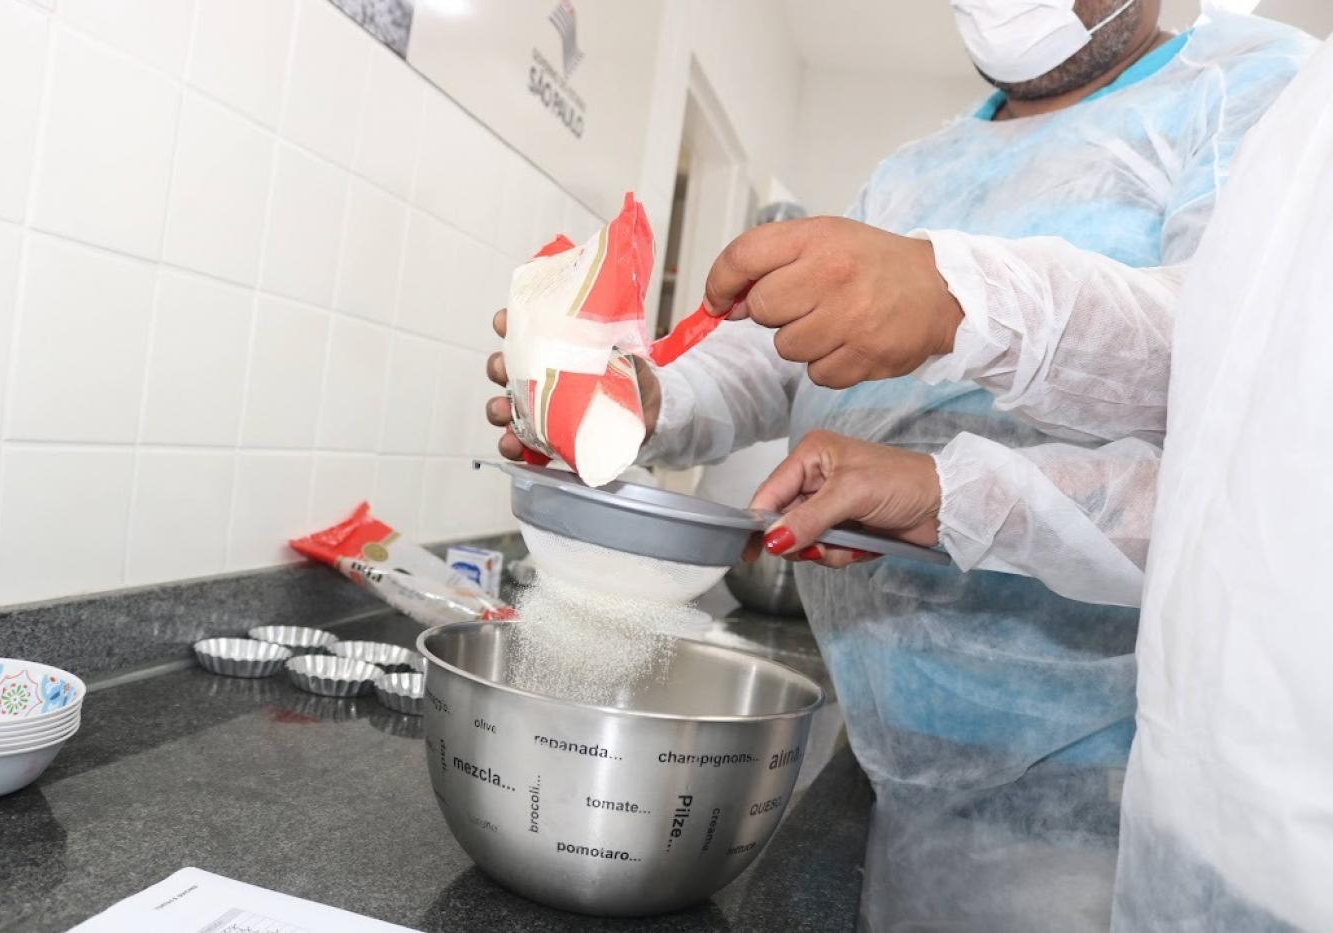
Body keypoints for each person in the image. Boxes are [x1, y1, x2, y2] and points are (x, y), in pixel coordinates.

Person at [482, 2, 1313, 928]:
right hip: (899, 768)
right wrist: (646, 398)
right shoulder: (914, 174)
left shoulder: (1256, 95)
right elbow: (774, 356)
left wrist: (968, 307)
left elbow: (1253, 401)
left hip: (1102, 798)